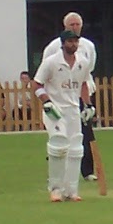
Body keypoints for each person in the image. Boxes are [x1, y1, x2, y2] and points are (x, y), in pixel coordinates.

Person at [34, 30, 93, 202]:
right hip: (55, 110)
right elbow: (36, 84)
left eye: (75, 41)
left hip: (73, 110)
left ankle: (71, 190)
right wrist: (46, 101)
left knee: (76, 148)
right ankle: (55, 189)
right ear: (63, 43)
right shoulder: (51, 62)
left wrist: (88, 105)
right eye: (70, 41)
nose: (73, 44)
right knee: (58, 145)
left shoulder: (83, 62)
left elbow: (83, 84)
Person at [42, 12, 100, 189]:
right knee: (60, 138)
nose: (75, 27)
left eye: (77, 24)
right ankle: (58, 178)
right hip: (59, 98)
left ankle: (87, 170)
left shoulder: (88, 46)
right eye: (71, 24)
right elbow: (45, 74)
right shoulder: (53, 48)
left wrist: (88, 103)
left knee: (83, 134)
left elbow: (87, 73)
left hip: (80, 94)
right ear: (65, 26)